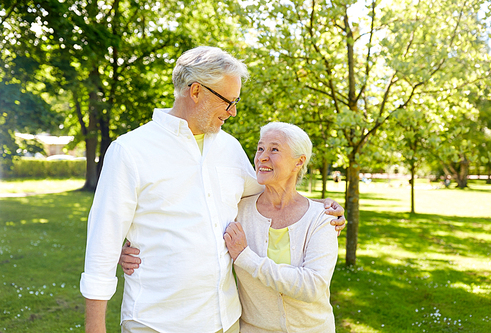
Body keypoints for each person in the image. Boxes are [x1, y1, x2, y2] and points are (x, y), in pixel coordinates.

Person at [81, 46, 345, 333]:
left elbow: (268, 190)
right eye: (228, 101)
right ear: (195, 92)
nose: (232, 112)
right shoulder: (130, 151)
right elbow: (101, 249)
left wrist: (320, 207)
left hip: (225, 320)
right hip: (156, 322)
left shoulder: (229, 147)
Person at [224, 122, 338, 332]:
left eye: (274, 149)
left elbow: (312, 286)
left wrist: (246, 257)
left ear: (299, 162)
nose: (262, 157)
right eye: (260, 148)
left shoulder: (322, 218)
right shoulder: (238, 210)